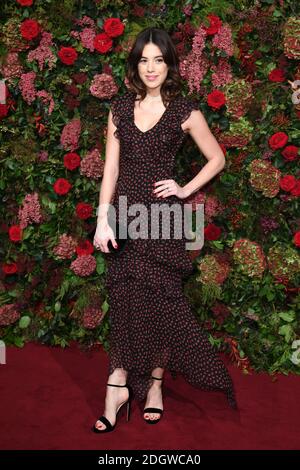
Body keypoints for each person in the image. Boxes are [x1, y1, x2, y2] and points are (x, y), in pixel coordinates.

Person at [92, 27, 237, 433]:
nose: (151, 68)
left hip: (163, 220)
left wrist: (184, 188)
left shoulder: (184, 111)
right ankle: (116, 387)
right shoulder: (119, 109)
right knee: (123, 303)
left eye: (158, 59)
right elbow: (111, 169)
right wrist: (103, 218)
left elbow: (217, 158)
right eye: (144, 60)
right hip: (124, 215)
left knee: (160, 305)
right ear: (135, 66)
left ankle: (154, 386)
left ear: (169, 64)